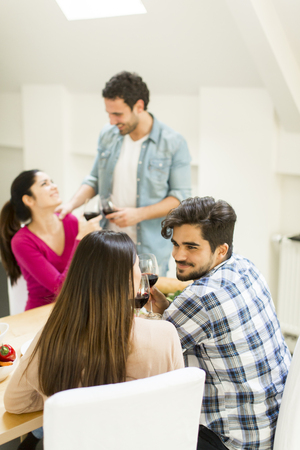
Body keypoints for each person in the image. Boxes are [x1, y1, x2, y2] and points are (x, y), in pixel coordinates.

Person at [4, 230, 184, 450]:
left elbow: (15, 403)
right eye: (138, 265)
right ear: (129, 278)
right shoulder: (165, 335)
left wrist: (60, 399)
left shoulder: (50, 337)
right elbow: (175, 411)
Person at [150, 196, 291, 450]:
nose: (178, 255)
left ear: (221, 249)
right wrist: (168, 312)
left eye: (191, 247)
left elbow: (148, 356)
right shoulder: (245, 266)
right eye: (175, 244)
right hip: (275, 426)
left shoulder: (200, 298)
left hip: (234, 442)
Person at [57, 71, 192, 275]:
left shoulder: (173, 143)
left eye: (118, 114)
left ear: (139, 106)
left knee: (143, 305)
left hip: (149, 250)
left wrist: (138, 215)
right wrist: (70, 204)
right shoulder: (108, 134)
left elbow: (180, 198)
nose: (111, 121)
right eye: (109, 114)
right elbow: (94, 179)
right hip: (108, 243)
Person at [0, 170, 101, 311]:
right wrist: (81, 240)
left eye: (52, 181)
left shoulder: (70, 221)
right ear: (29, 200)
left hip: (76, 308)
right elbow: (61, 288)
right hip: (42, 314)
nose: (54, 186)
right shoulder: (21, 242)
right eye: (44, 184)